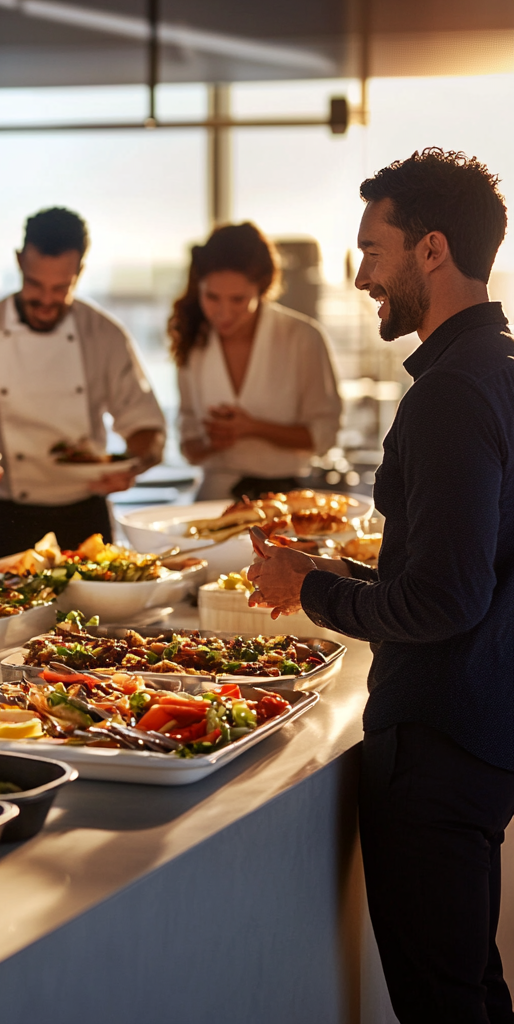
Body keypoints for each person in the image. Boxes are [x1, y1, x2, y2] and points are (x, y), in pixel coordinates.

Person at [247, 149, 514, 1024]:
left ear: (431, 250)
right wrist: (321, 571)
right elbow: (460, 570)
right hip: (483, 729)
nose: (363, 275)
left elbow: (442, 602)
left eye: (373, 249)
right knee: (472, 988)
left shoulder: (448, 395)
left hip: (435, 744)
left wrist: (319, 596)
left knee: (443, 1004)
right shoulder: (502, 368)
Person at [0, 207, 166, 565]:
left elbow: (148, 429)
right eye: (36, 284)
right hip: (7, 518)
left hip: (87, 520)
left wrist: (132, 467)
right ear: (20, 261)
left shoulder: (104, 335)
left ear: (80, 272)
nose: (47, 300)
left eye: (61, 288)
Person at [170, 222, 342, 501]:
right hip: (213, 499)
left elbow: (325, 435)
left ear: (261, 289)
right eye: (212, 297)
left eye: (238, 300)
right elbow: (188, 447)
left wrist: (253, 427)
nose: (223, 312)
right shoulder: (194, 342)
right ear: (198, 288)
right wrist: (212, 443)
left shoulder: (301, 338)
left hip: (284, 498)